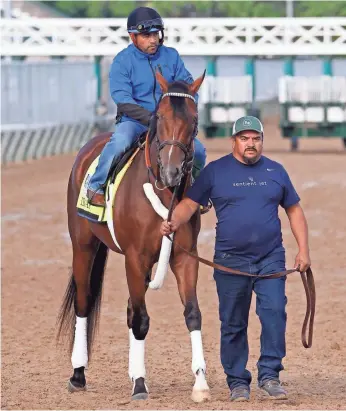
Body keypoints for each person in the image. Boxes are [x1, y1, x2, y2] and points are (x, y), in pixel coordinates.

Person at [160, 115, 311, 402]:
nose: (250, 144)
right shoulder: (215, 172)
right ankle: (237, 381)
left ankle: (270, 375)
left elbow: (294, 210)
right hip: (230, 261)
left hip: (271, 259)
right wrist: (173, 223)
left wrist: (303, 250)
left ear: (262, 141)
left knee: (275, 314)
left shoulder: (276, 171)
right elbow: (189, 204)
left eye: (256, 138)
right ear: (234, 141)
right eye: (244, 138)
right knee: (233, 322)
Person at [87, 6, 206, 206]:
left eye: (155, 35)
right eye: (145, 36)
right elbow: (122, 99)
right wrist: (152, 119)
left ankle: (195, 190)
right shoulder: (122, 62)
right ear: (133, 38)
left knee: (200, 151)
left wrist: (182, 114)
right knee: (120, 143)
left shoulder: (172, 56)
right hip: (134, 121)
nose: (153, 40)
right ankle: (96, 186)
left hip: (168, 123)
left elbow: (188, 87)